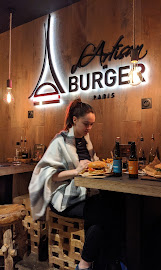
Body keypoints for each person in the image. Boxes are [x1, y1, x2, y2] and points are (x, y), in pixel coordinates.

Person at [29, 98, 124, 270]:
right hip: (62, 197)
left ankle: (107, 261)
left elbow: (92, 162)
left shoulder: (85, 140)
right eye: (86, 124)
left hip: (83, 192)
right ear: (74, 120)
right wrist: (76, 171)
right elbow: (49, 176)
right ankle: (86, 263)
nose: (89, 128)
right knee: (102, 213)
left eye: (92, 125)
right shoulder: (59, 141)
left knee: (116, 203)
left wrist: (101, 165)